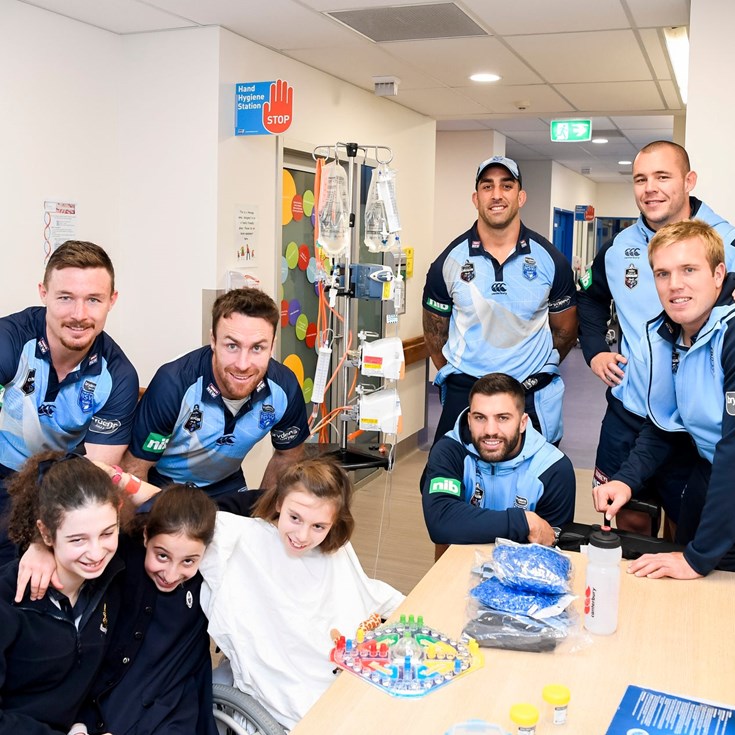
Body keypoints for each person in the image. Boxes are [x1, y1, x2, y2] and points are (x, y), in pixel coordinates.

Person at [577, 141, 735, 533]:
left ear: (688, 181)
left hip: (693, 424)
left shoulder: (725, 243)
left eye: (663, 177)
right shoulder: (618, 248)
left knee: (689, 525)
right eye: (641, 179)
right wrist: (595, 351)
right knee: (624, 517)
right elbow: (591, 299)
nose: (651, 188)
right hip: (630, 413)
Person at [199, 458, 405, 729]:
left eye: (318, 526)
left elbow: (358, 592)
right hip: (290, 686)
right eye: (294, 518)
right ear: (278, 504)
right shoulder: (241, 537)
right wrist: (124, 480)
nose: (302, 536)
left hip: (340, 672)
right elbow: (178, 511)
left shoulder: (334, 549)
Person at [17, 479, 219, 735]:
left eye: (188, 561)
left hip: (169, 712)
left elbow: (271, 499)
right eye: (162, 556)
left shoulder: (208, 577)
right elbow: (67, 472)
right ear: (146, 536)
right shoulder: (114, 558)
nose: (171, 573)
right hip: (105, 704)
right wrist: (41, 546)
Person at [593, 220, 735, 579]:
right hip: (710, 477)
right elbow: (663, 427)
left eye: (689, 270)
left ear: (719, 274)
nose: (675, 285)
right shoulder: (664, 336)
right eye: (662, 273)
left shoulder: (730, 337)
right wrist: (625, 480)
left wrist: (697, 558)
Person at [422, 155, 577, 446]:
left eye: (506, 186)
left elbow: (565, 333)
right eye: (487, 186)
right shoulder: (449, 261)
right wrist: (459, 376)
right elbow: (434, 334)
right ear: (475, 197)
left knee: (535, 485)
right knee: (445, 482)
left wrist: (531, 366)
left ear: (521, 196)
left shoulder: (550, 260)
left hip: (528, 392)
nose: (496, 195)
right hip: (467, 393)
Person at [0, 241, 138, 563]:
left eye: (93, 300)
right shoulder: (9, 341)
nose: (79, 315)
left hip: (60, 486)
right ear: (43, 293)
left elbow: (94, 474)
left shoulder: (119, 376)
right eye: (65, 298)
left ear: (111, 301)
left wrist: (44, 539)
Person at [121, 287, 310, 512]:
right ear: (213, 340)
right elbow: (134, 467)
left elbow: (288, 456)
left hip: (226, 484)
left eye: (257, 348)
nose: (242, 364)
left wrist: (262, 518)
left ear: (272, 346)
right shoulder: (173, 383)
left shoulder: (284, 388)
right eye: (232, 346)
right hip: (166, 486)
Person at [0, 451, 126, 735]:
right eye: (78, 539)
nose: (96, 553)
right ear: (45, 534)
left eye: (107, 533)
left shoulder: (111, 581)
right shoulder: (8, 599)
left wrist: (85, 724)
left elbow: (176, 515)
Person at [421, 373, 575, 554]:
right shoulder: (449, 451)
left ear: (523, 423)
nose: (490, 431)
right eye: (480, 417)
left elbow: (550, 549)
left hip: (523, 573)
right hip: (457, 565)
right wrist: (524, 522)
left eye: (503, 418)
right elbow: (441, 523)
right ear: (469, 420)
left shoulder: (553, 468)